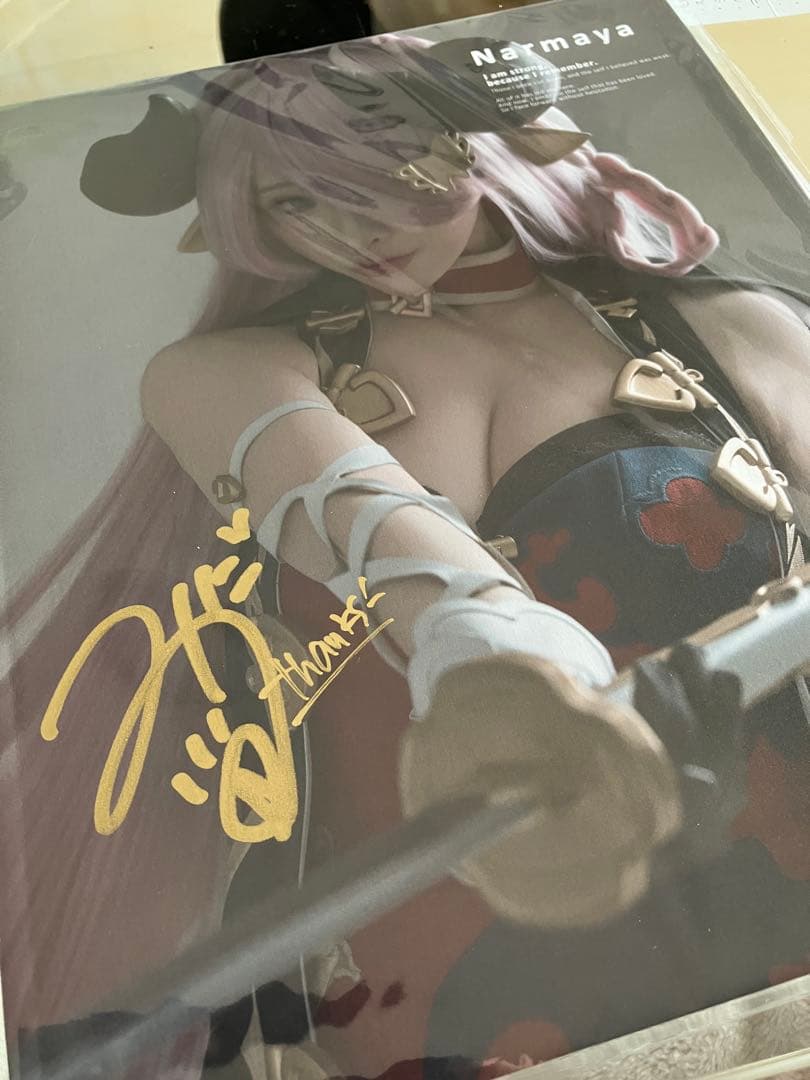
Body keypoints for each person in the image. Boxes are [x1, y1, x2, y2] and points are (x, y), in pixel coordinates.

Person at [3, 32, 810, 1080]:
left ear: (483, 141)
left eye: (378, 175)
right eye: (293, 202)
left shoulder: (729, 331)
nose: (346, 228)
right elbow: (420, 571)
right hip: (446, 943)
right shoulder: (232, 373)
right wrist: (509, 677)